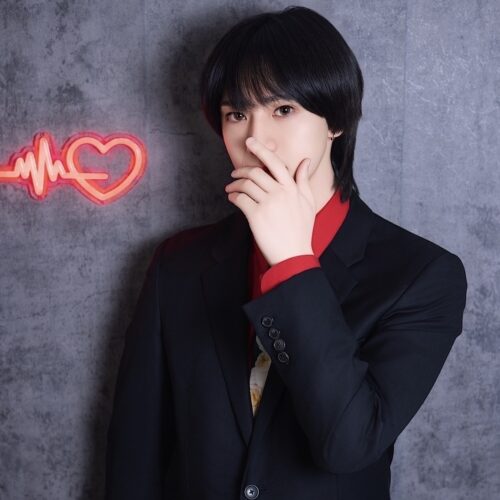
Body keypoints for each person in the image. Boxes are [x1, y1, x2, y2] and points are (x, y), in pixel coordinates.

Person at [105, 6, 467, 500]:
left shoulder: (421, 275)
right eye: (237, 115)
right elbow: (136, 454)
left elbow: (349, 444)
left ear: (335, 120)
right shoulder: (178, 265)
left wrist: (294, 264)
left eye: (283, 109)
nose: (256, 139)